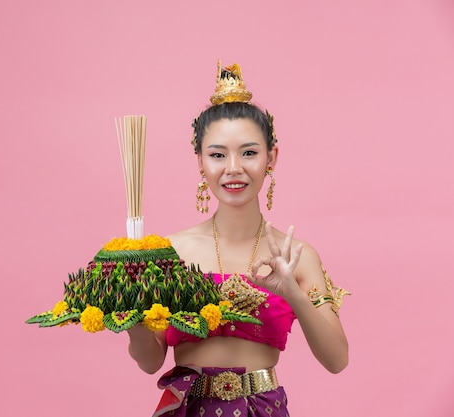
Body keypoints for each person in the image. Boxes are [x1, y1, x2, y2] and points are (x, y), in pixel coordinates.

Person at [126, 60, 350, 417]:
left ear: (271, 158)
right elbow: (150, 361)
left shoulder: (297, 255)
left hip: (262, 408)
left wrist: (292, 292)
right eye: (217, 155)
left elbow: (337, 360)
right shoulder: (169, 252)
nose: (233, 168)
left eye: (249, 152)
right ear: (200, 162)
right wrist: (133, 321)